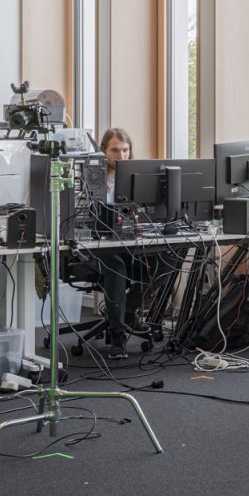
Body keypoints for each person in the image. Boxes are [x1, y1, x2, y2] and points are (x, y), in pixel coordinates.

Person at [96, 128, 144, 354]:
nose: (121, 156)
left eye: (125, 150)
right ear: (104, 151)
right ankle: (118, 335)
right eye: (115, 150)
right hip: (99, 244)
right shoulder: (93, 175)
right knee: (116, 267)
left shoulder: (137, 176)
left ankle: (129, 311)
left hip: (130, 241)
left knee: (167, 260)